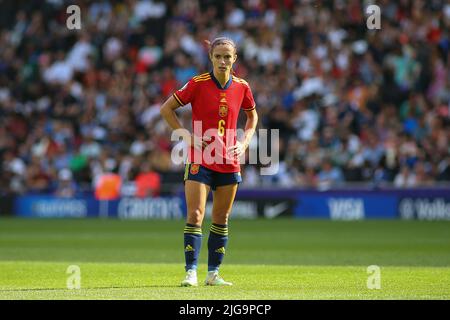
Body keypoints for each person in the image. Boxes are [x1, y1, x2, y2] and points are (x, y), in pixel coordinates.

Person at [160, 37, 258, 286]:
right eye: (218, 56)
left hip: (228, 159)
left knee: (221, 218)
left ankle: (213, 273)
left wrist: (245, 142)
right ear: (211, 58)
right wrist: (186, 137)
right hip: (200, 158)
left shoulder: (242, 86)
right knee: (195, 214)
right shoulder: (197, 83)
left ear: (235, 59)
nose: (223, 61)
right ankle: (190, 271)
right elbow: (166, 109)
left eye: (228, 56)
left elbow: (252, 117)